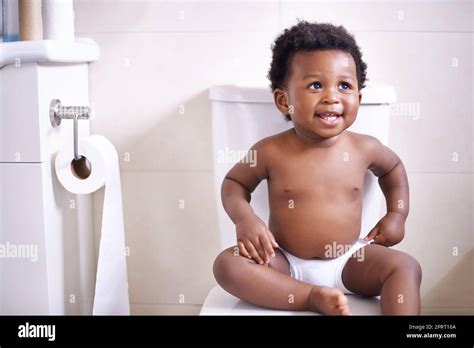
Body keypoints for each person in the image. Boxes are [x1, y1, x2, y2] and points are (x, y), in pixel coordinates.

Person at [213, 21, 422, 315]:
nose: (332, 97)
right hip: (284, 262)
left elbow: (393, 169)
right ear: (284, 101)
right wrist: (245, 220)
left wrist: (397, 214)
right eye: (315, 85)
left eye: (344, 86)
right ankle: (311, 297)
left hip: (350, 259)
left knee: (406, 267)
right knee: (227, 265)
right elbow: (234, 184)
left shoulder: (365, 148)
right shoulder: (270, 151)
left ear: (358, 99)